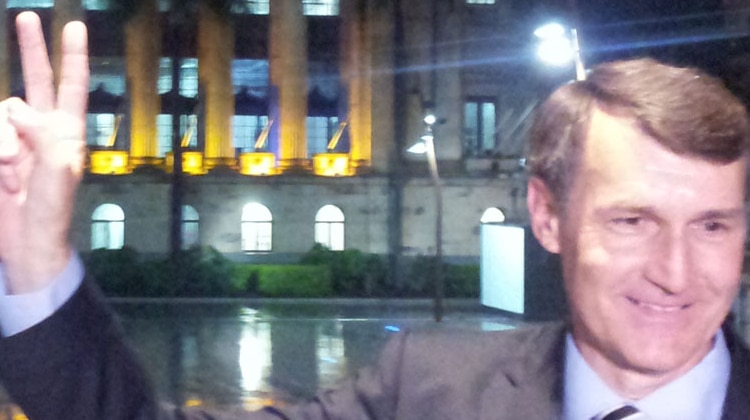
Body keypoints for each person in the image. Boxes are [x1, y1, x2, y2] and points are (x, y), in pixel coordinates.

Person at [0, 11, 749, 420]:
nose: (675, 272)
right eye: (632, 221)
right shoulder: (423, 390)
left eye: (713, 224)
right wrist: (36, 262)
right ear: (546, 216)